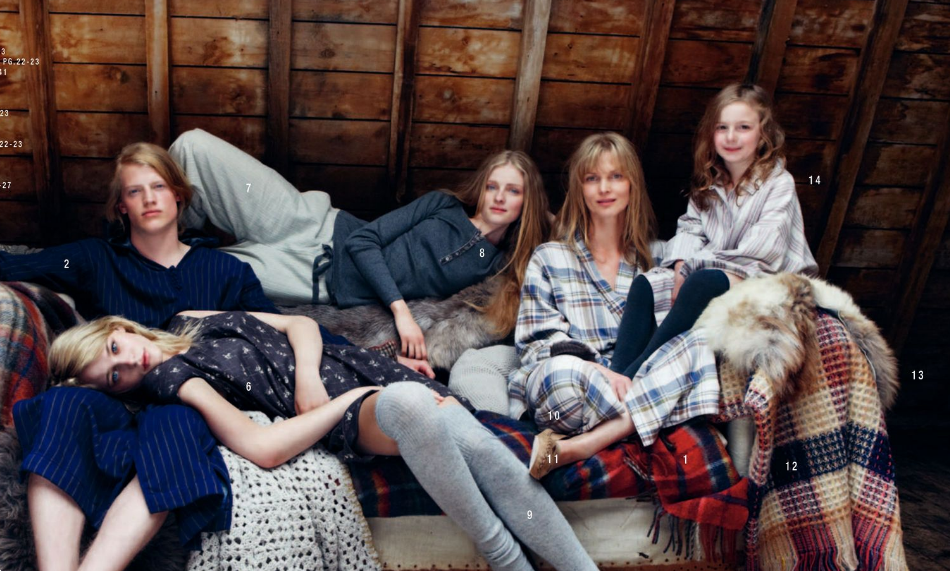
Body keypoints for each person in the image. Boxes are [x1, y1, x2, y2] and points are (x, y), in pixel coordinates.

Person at [46, 310, 687, 571]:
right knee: (414, 406)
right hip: (351, 411)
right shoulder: (172, 380)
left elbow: (299, 322)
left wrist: (309, 370)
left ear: (119, 327)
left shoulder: (192, 320)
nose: (129, 363)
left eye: (116, 348)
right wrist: (346, 398)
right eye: (115, 376)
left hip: (358, 369)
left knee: (481, 447)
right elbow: (261, 448)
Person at [0, 142, 278, 571]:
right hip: (112, 397)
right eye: (134, 191)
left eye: (158, 187)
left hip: (188, 400)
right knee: (60, 405)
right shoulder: (94, 260)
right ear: (120, 206)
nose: (149, 199)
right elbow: (12, 264)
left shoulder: (226, 271)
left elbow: (269, 336)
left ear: (179, 195)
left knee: (175, 425)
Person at [531, 86, 819, 472]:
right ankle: (618, 375)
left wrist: (693, 268)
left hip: (768, 281)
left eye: (743, 127)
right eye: (722, 128)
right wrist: (682, 262)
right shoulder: (709, 185)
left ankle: (632, 377)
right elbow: (688, 230)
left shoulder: (778, 184)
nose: (731, 137)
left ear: (763, 134)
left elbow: (759, 251)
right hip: (719, 277)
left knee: (702, 282)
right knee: (648, 284)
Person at [169, 129, 550, 360]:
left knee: (185, 272)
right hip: (310, 222)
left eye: (513, 191)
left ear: (527, 201)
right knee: (194, 148)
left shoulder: (490, 263)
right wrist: (401, 313)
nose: (499, 197)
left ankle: (169, 250)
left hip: (311, 279)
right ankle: (172, 227)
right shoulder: (443, 205)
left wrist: (542, 220)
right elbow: (365, 241)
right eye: (492, 186)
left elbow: (557, 234)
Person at [509, 132, 719, 481]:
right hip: (574, 384)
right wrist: (599, 370)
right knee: (561, 376)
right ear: (579, 189)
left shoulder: (658, 258)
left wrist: (628, 378)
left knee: (699, 344)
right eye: (592, 178)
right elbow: (535, 345)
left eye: (616, 176)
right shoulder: (549, 257)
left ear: (632, 185)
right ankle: (636, 418)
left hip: (634, 382)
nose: (604, 188)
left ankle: (585, 444)